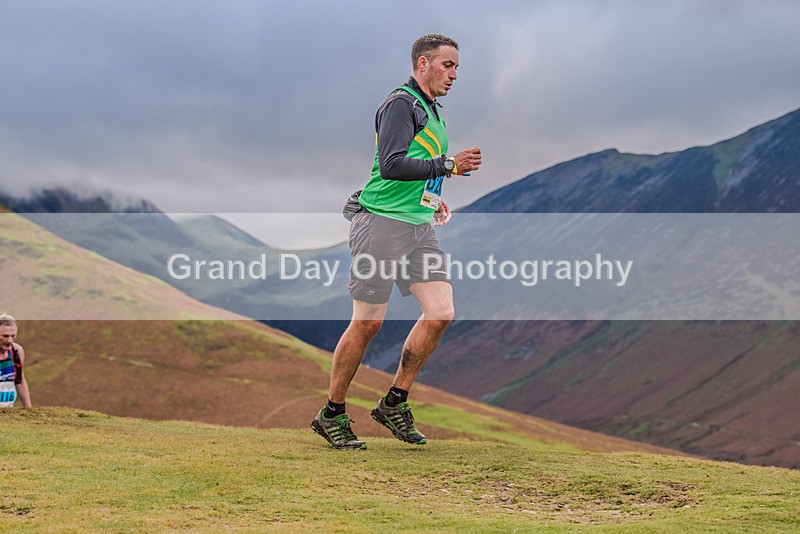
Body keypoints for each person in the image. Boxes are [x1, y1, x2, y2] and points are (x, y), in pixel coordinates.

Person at [311, 34, 482, 449]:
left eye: (457, 67)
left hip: (417, 227)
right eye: (447, 65)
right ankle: (332, 413)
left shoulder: (432, 111)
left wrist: (432, 199)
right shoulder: (400, 104)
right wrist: (450, 165)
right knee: (368, 322)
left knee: (440, 312)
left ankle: (394, 402)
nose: (454, 74)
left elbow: (418, 167)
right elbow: (390, 165)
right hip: (380, 225)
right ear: (423, 63)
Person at [0, 313, 32, 408]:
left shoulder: (17, 352)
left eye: (13, 336)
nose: (9, 340)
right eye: (5, 336)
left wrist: (29, 410)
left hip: (9, 412)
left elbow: (20, 381)